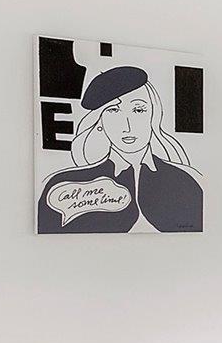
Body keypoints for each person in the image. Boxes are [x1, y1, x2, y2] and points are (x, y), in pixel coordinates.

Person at [37, 65, 202, 234]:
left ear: (154, 114)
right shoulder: (64, 182)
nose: (127, 126)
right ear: (100, 121)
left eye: (138, 109)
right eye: (113, 111)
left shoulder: (187, 180)